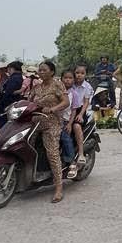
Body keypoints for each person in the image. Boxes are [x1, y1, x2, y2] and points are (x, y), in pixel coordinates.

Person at [28, 61, 71, 203]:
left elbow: (66, 102)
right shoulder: (36, 87)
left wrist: (53, 109)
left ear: (52, 72)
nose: (41, 72)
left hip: (52, 123)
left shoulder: (57, 85)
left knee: (52, 153)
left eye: (44, 70)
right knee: (25, 147)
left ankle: (58, 188)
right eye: (39, 70)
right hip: (35, 123)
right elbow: (28, 103)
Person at [68, 65, 94, 178]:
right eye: (77, 73)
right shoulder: (70, 84)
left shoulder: (87, 87)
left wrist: (80, 114)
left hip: (80, 111)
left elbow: (86, 102)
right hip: (68, 110)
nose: (79, 75)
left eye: (82, 73)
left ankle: (81, 153)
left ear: (85, 74)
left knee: (76, 127)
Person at [0, 61, 25, 132]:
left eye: (8, 69)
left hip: (8, 104)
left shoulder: (14, 78)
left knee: (1, 124)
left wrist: (1, 104)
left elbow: (8, 93)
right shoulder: (18, 77)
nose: (7, 71)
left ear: (11, 69)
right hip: (13, 103)